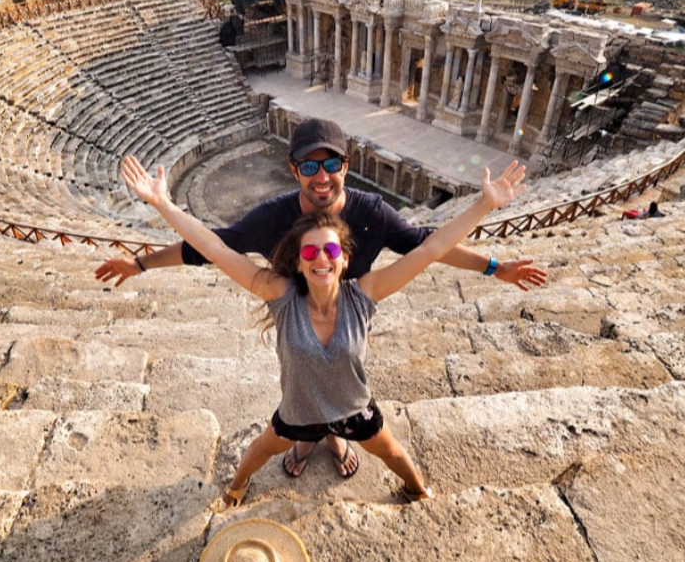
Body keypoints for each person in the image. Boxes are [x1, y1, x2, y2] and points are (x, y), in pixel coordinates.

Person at [96, 118, 547, 477]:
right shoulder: (272, 217)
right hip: (290, 308)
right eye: (309, 167)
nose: (321, 176)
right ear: (294, 171)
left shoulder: (371, 212)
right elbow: (212, 247)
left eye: (330, 165)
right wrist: (140, 264)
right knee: (300, 378)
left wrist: (495, 266)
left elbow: (427, 244)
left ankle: (332, 434)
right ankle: (313, 433)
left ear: (346, 166)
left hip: (351, 309)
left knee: (343, 377)